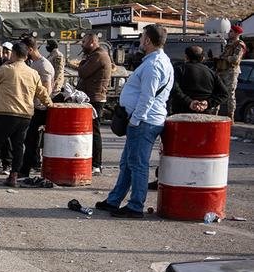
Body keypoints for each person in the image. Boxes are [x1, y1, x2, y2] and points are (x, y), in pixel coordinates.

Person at [95, 24, 173, 218]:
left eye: (142, 37)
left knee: (137, 164)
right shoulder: (157, 61)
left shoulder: (154, 65)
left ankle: (136, 205)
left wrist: (136, 120)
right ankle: (114, 200)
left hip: (144, 121)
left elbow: (148, 96)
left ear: (148, 40)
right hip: (143, 120)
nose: (140, 41)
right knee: (128, 163)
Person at [0, 42, 52, 188]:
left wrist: (3, 66)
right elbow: (42, 92)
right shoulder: (33, 73)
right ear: (27, 56)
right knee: (18, 146)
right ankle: (13, 176)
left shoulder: (7, 69)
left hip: (5, 113)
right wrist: (50, 105)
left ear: (13, 54)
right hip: (25, 115)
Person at [76, 32, 112, 175]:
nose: (82, 45)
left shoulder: (98, 56)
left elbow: (83, 72)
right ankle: (93, 162)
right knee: (90, 132)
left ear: (92, 42)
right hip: (91, 97)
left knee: (94, 132)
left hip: (95, 99)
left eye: (84, 42)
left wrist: (82, 63)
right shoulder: (95, 55)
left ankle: (97, 164)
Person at [19, 37, 55, 179]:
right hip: (34, 106)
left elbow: (46, 88)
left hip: (39, 109)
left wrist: (40, 104)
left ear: (30, 49)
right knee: (30, 140)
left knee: (31, 140)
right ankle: (31, 164)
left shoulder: (43, 66)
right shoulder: (35, 64)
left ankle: (25, 169)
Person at [170, 45, 227, 115]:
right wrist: (207, 103)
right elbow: (224, 94)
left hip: (181, 114)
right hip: (205, 115)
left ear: (186, 57)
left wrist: (189, 102)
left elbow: (174, 89)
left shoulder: (179, 70)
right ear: (203, 58)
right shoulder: (211, 73)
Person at [219, 24, 247, 118]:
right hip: (222, 70)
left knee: (230, 94)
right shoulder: (229, 44)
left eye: (231, 31)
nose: (229, 33)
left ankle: (231, 116)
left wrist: (225, 57)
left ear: (236, 33)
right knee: (218, 91)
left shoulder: (239, 44)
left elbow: (235, 59)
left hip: (231, 72)